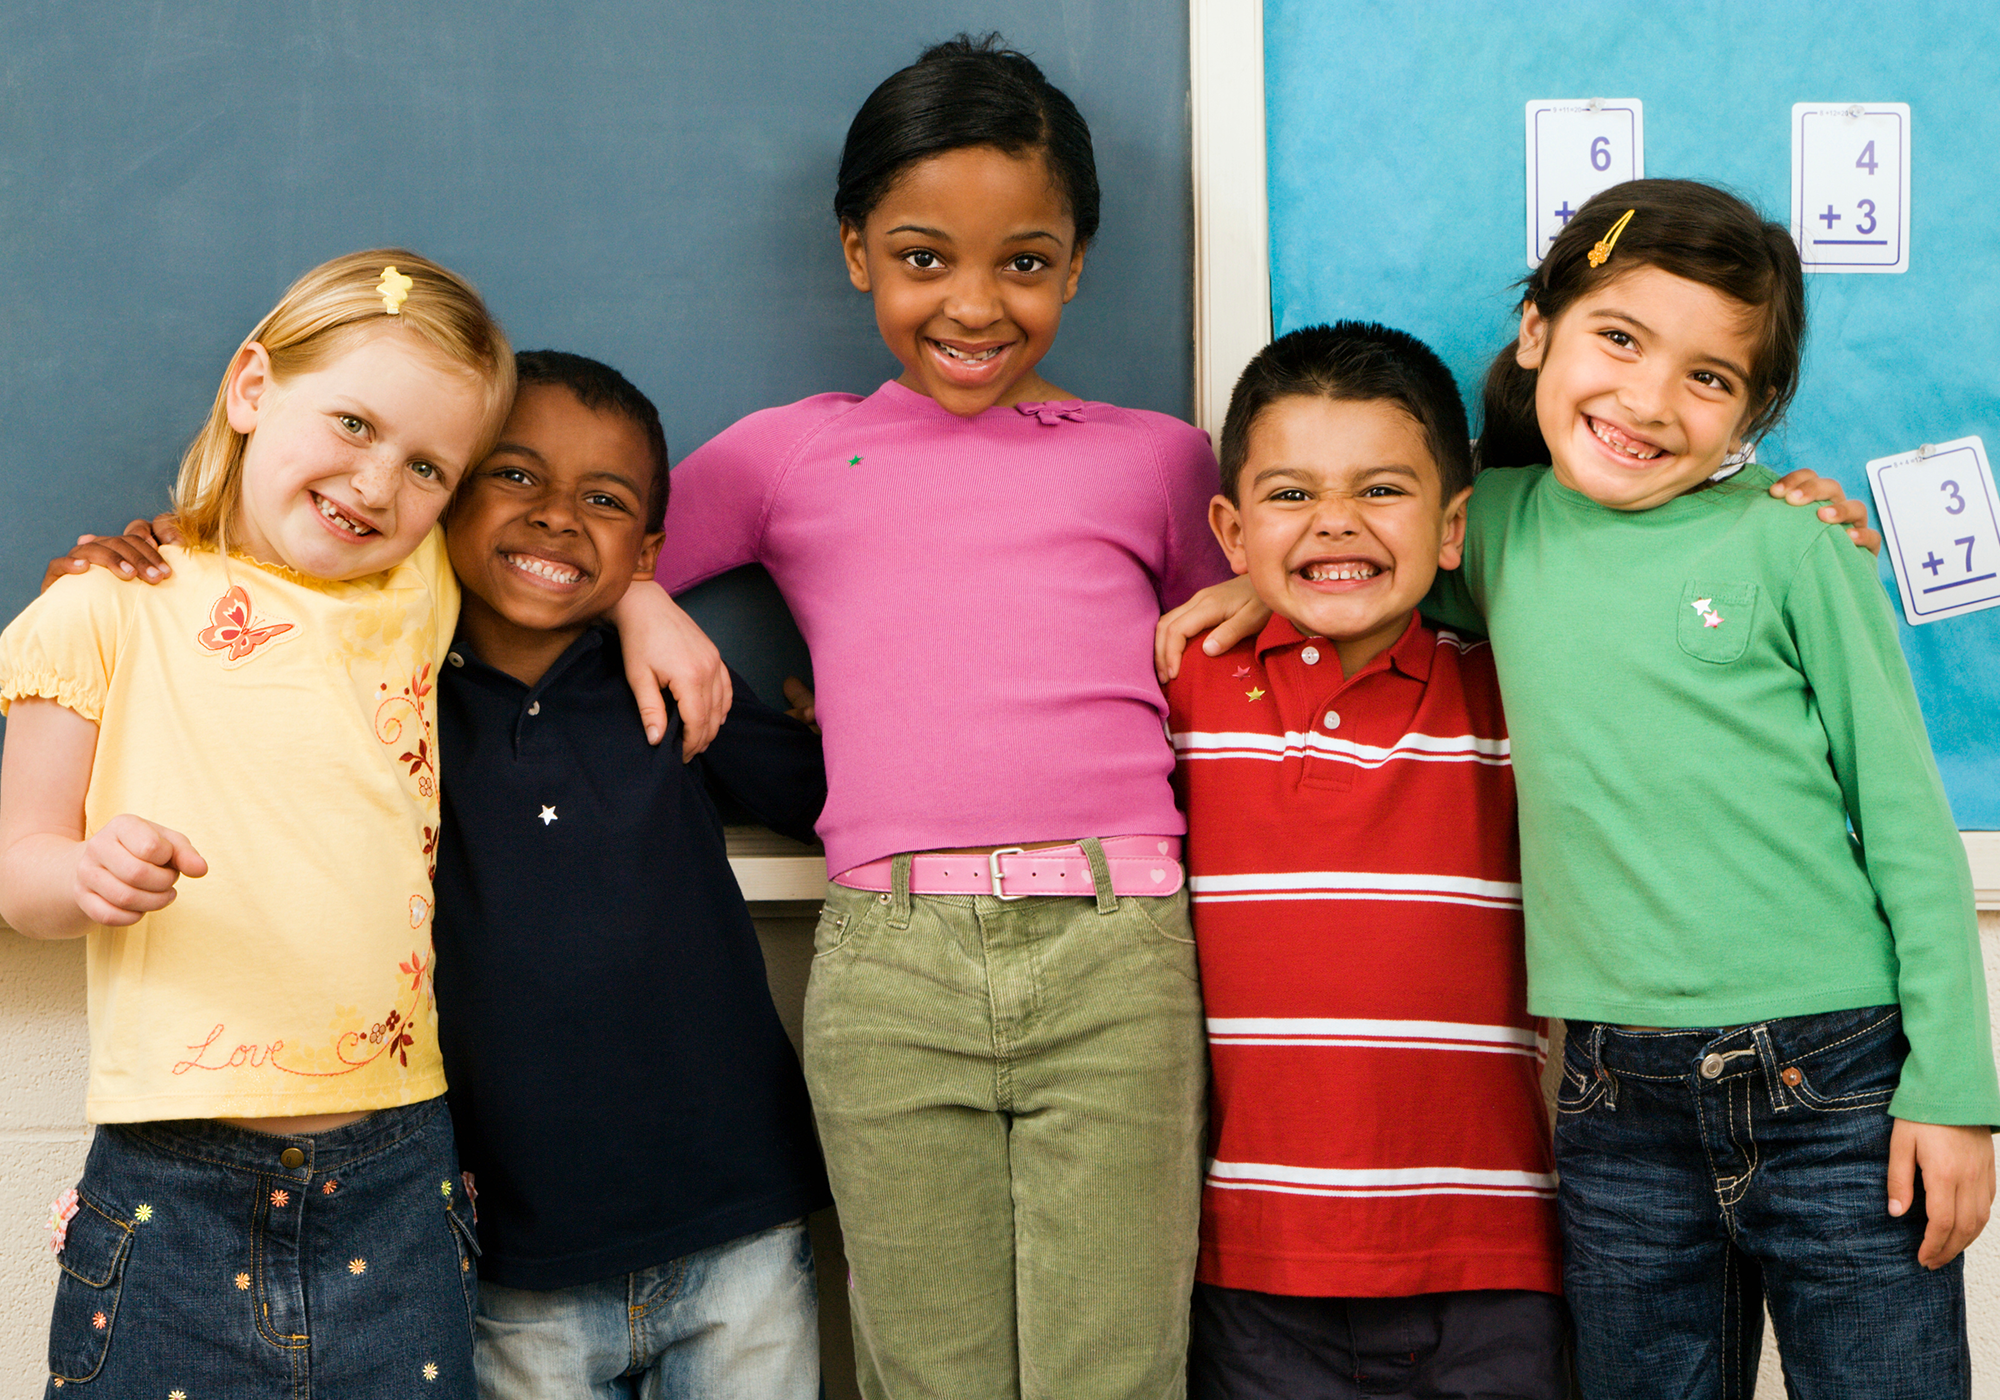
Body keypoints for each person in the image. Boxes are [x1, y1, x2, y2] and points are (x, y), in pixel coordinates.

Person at [1164, 179, 1998, 1400]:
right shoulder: (1492, 528)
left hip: (1834, 1076)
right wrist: (1257, 584)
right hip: (1614, 1097)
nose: (1649, 400)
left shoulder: (1790, 542)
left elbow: (1907, 824)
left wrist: (1955, 1091)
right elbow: (1360, 557)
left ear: (1753, 413)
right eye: (1618, 338)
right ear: (1537, 334)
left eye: (1708, 378)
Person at [652, 34, 1229, 1399]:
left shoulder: (1159, 461)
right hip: (891, 961)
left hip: (1120, 950)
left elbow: (1252, 655)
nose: (974, 304)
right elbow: (558, 561)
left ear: (1077, 262)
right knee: (929, 1375)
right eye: (924, 258)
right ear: (856, 250)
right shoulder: (789, 454)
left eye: (1024, 262)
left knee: (1118, 1369)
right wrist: (634, 601)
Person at [0, 250, 514, 1397]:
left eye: (427, 464)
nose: (378, 484)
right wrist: (83, 870)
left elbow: (553, 546)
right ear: (249, 388)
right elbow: (15, 867)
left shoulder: (418, 585)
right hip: (172, 1173)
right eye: (351, 421)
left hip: (397, 1155)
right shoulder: (99, 608)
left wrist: (639, 598)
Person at [1169, 322, 1563, 1400]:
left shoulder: (1516, 695)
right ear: (1229, 528)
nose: (1334, 521)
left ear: (1452, 527)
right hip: (1253, 1276)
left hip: (1491, 1267)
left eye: (1379, 490)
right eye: (1289, 494)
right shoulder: (1178, 694)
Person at [429, 350, 831, 1398]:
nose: (557, 515)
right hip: (517, 1260)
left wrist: (843, 706)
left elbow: (824, 793)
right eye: (514, 475)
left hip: (736, 1222)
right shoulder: (389, 690)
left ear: (646, 548)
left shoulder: (669, 679)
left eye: (602, 499)